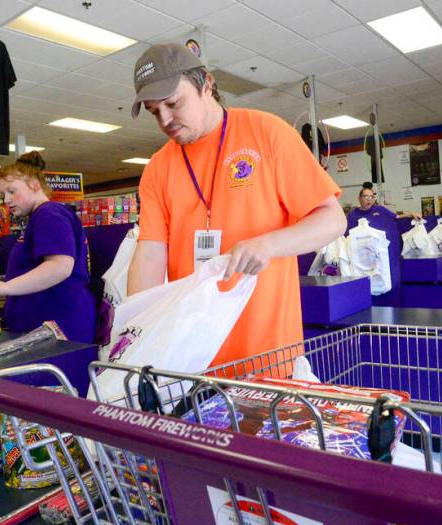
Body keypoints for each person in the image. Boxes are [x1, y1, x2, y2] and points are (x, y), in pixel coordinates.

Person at [126, 43, 346, 366]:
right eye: (155, 112)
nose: (165, 120)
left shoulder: (267, 133)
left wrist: (268, 245)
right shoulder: (158, 169)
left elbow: (333, 219)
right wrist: (135, 333)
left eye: (173, 103)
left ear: (206, 84)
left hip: (269, 360)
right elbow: (149, 255)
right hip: (192, 365)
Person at [0, 151, 96, 343]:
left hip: (60, 330)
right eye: (3, 194)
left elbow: (60, 267)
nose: (6, 200)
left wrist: (4, 287)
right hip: (48, 329)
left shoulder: (49, 214)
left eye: (12, 191)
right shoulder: (40, 217)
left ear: (34, 185)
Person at [347, 183, 420, 228]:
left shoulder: (380, 209)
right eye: (366, 196)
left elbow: (396, 217)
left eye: (371, 197)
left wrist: (411, 214)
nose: (369, 199)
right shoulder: (352, 215)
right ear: (359, 198)